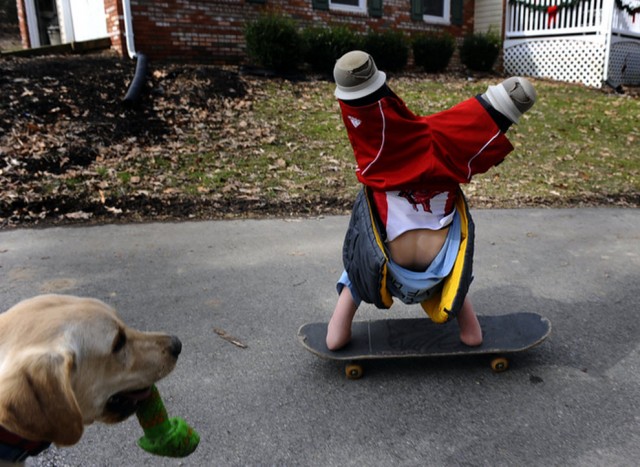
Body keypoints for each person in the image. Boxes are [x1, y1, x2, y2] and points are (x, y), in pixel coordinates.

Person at [326, 50, 536, 350]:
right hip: (440, 276)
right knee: (452, 144)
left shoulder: (384, 160)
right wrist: (502, 106)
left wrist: (356, 84)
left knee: (354, 272)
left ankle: (338, 330)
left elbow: (373, 133)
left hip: (381, 273)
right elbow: (466, 136)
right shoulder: (450, 158)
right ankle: (470, 330)